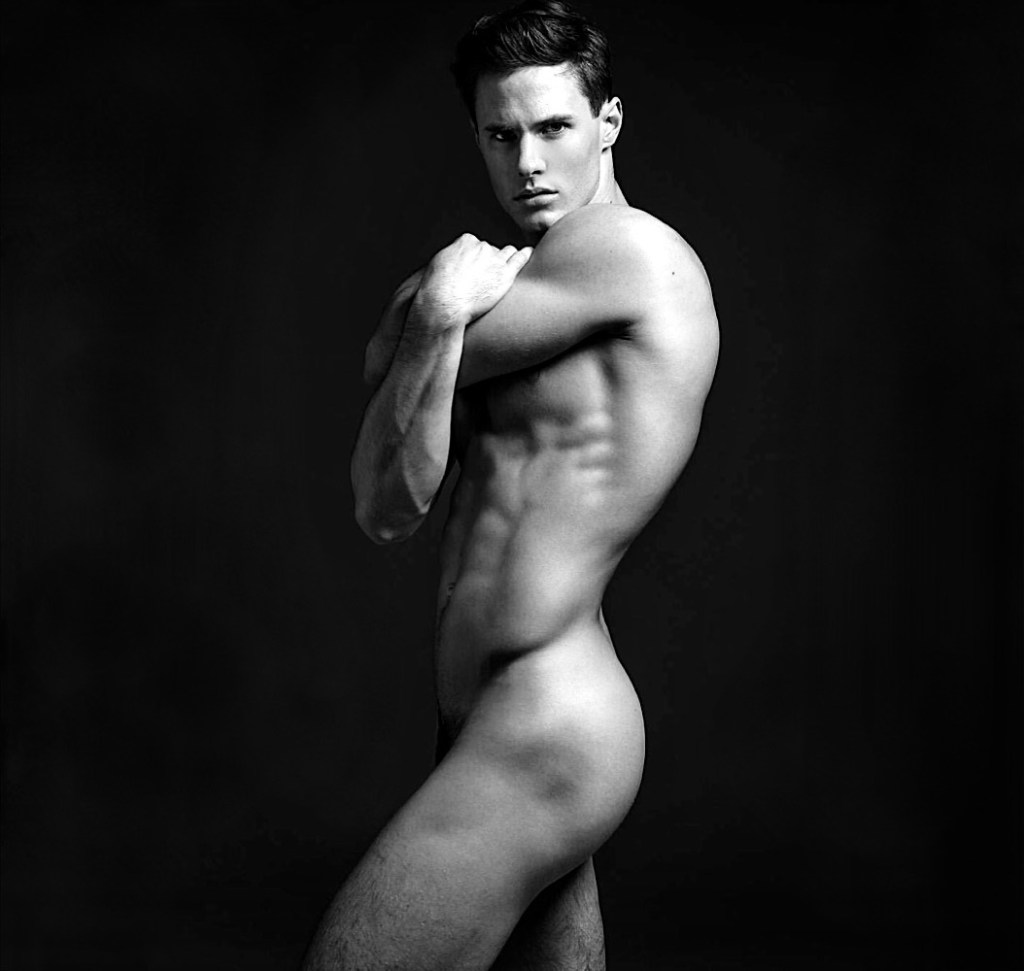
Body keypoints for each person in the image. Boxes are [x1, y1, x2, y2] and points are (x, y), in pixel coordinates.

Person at [303, 1, 718, 967]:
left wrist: (438, 304)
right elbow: (386, 501)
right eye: (501, 135)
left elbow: (387, 345)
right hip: (487, 715)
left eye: (554, 127)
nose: (528, 162)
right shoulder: (528, 287)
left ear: (608, 123)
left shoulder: (627, 250)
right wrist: (438, 319)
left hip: (545, 721)